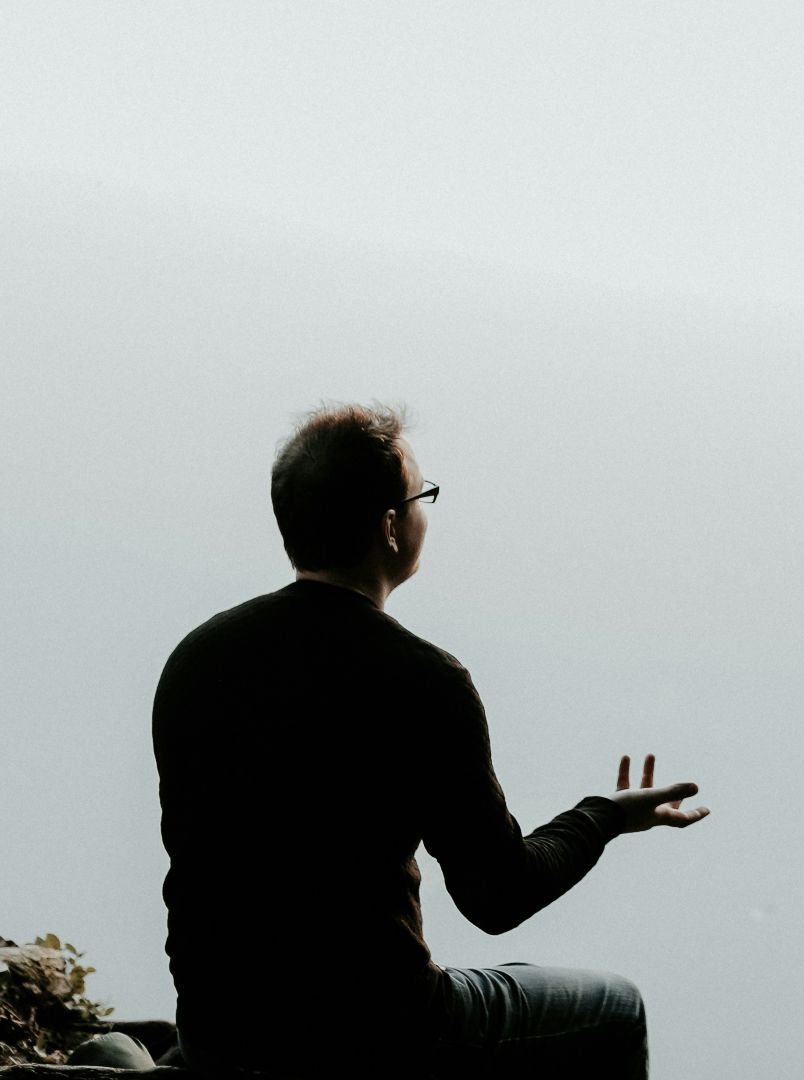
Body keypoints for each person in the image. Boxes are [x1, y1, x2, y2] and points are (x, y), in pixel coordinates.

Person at [153, 403, 710, 1078]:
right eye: (423, 497)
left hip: (222, 1033)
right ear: (390, 528)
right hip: (375, 1035)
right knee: (614, 1009)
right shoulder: (421, 678)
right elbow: (497, 897)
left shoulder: (198, 656)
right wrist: (607, 816)